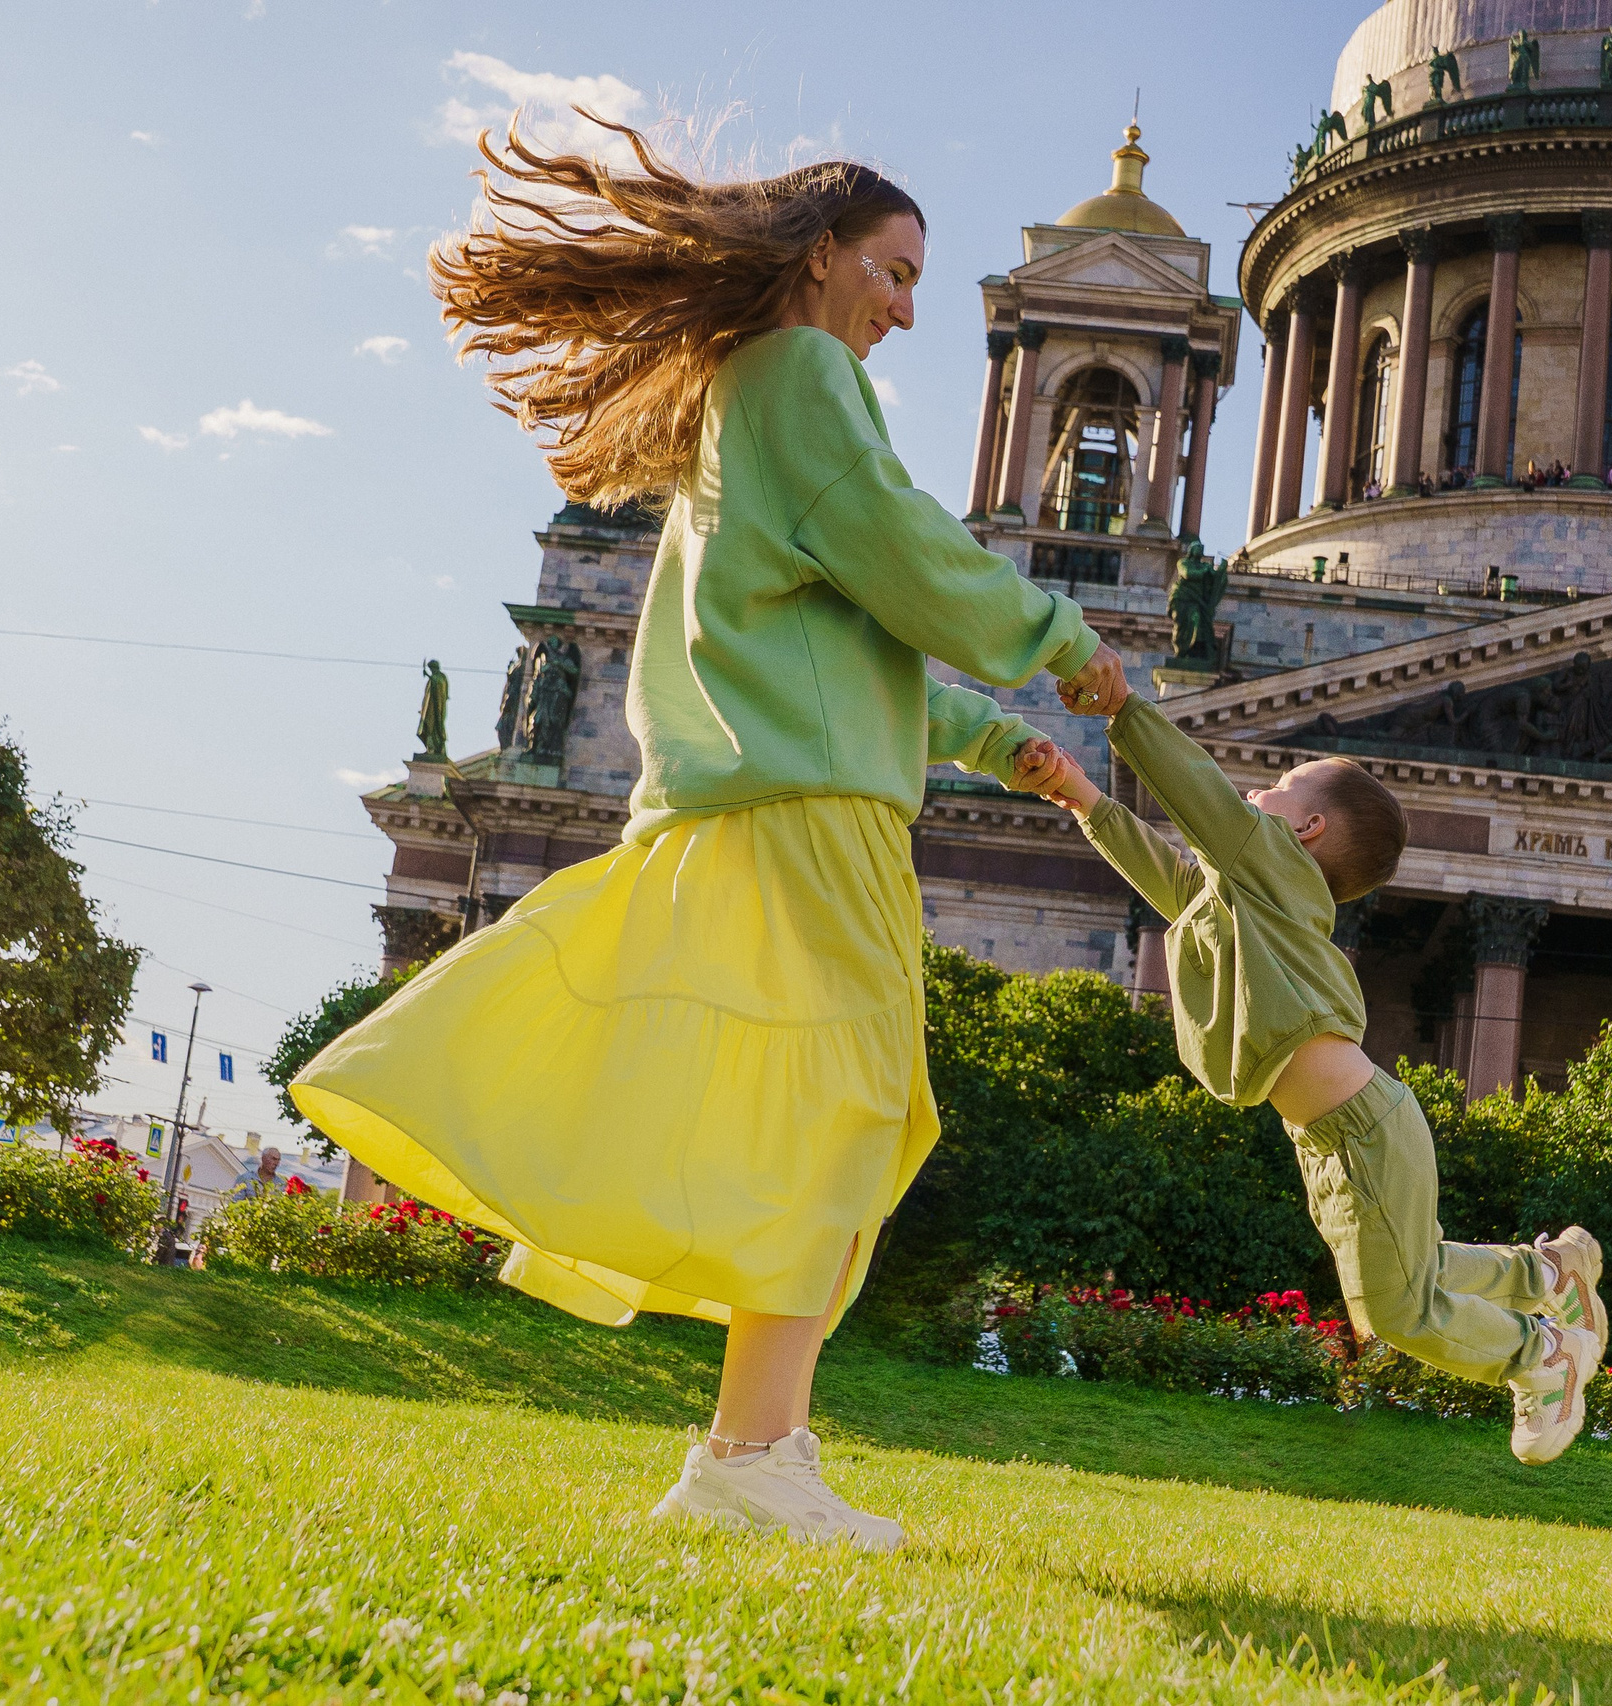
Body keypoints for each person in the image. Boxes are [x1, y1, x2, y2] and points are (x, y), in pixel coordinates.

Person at [290, 117, 1123, 1552]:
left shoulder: (757, 398)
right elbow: (903, 545)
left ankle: (754, 1452)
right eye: (895, 270)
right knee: (845, 1111)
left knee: (812, 1114)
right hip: (811, 817)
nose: (908, 308)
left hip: (789, 800)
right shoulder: (802, 377)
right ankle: (753, 1456)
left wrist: (995, 738)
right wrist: (1052, 637)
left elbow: (836, 641)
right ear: (818, 259)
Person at [1011, 693, 1608, 1465]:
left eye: (1277, 787)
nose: (1255, 793)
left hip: (1361, 1127)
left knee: (1395, 1310)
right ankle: (1548, 1271)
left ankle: (1541, 1355)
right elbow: (1168, 877)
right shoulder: (1247, 901)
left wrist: (1124, 710)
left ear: (1304, 830)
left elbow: (1200, 797)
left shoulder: (1275, 866)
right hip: (1336, 1135)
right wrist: (1081, 793)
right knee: (1412, 1267)